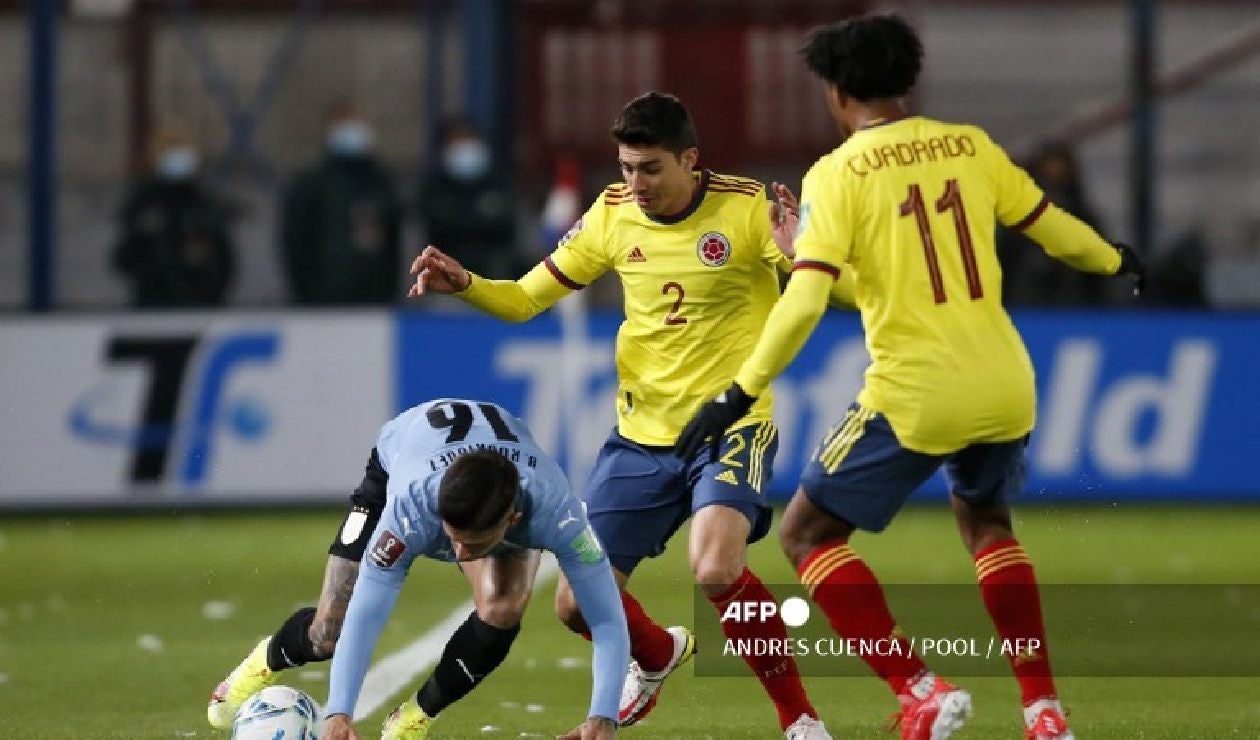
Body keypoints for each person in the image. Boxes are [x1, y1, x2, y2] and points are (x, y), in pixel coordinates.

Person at [676, 15, 1145, 740]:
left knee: (806, 535)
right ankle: (1044, 713)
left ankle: (918, 687)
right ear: (908, 78)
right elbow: (1056, 231)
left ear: (834, 89)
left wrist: (737, 390)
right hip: (1004, 380)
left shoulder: (837, 172)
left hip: (917, 392)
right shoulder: (971, 147)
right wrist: (1117, 261)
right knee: (987, 522)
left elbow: (805, 303)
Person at [410, 92, 849, 739]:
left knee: (715, 567)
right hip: (640, 440)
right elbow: (528, 298)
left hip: (731, 425)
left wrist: (799, 254)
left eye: (649, 168)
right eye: (625, 168)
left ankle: (800, 720)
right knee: (570, 604)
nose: (635, 184)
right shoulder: (611, 215)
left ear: (689, 160)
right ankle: (657, 655)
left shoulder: (747, 206)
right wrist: (468, 284)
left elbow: (819, 287)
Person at [207, 399, 629, 740]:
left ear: (511, 521)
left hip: (498, 474)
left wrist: (602, 716)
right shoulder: (411, 507)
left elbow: (607, 617)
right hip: (404, 454)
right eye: (452, 536)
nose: (459, 552)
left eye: (472, 543)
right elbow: (368, 610)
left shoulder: (559, 515)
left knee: (502, 608)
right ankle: (261, 661)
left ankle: (414, 718)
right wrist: (338, 712)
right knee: (329, 631)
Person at [280, 104, 402, 305]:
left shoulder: (379, 183)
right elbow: (296, 241)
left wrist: (389, 290)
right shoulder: (312, 184)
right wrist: (306, 293)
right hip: (324, 297)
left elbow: (392, 240)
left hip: (375, 295)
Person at [111, 130, 236, 308]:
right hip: (153, 306)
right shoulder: (144, 204)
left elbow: (224, 260)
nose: (178, 160)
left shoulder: (203, 203)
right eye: (170, 152)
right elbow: (123, 257)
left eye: (183, 152)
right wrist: (158, 261)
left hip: (203, 305)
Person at [996, 140, 1112, 306]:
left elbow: (1099, 267)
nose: (1055, 174)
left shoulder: (1083, 217)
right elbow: (1004, 262)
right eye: (1049, 170)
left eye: (1060, 169)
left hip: (1075, 307)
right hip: (1021, 306)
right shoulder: (1016, 219)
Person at [417, 117, 520, 280]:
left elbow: (508, 229)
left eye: (469, 140)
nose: (465, 148)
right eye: (458, 142)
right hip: (443, 280)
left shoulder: (497, 184)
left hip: (493, 279)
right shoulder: (434, 188)